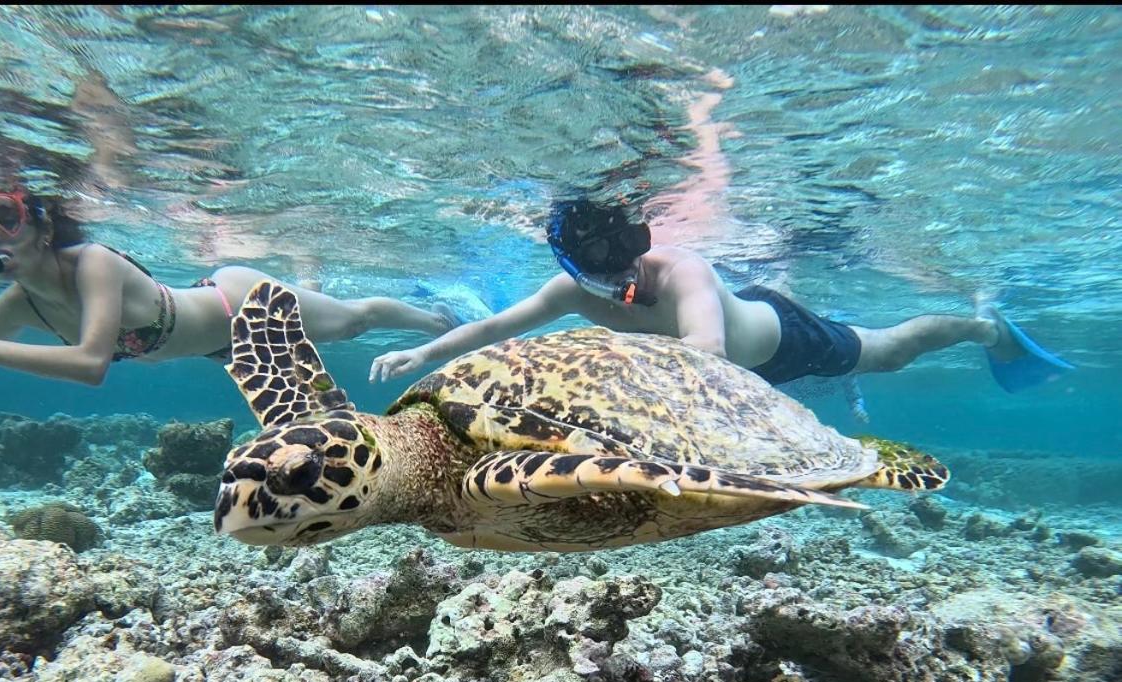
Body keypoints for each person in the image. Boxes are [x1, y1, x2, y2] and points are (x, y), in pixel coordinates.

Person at [368, 198, 1072, 410]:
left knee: (889, 351)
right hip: (738, 358)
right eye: (600, 274)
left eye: (625, 266)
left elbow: (704, 355)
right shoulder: (570, 290)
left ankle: (984, 325)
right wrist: (424, 351)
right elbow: (495, 326)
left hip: (782, 342)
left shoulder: (682, 272)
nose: (621, 282)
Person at [0, 182, 460, 387]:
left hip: (235, 300)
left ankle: (440, 322)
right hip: (222, 347)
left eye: (4, 213)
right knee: (340, 328)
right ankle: (410, 311)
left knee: (353, 321)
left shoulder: (92, 263)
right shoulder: (17, 301)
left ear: (41, 222)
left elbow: (89, 364)